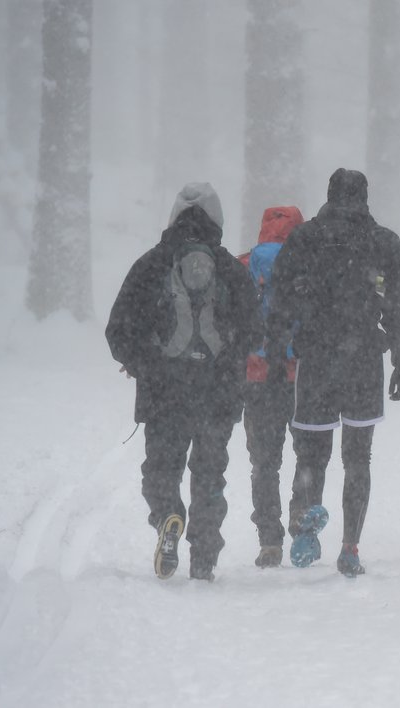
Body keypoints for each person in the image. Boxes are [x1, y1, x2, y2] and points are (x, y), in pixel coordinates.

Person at [106, 182, 259, 582]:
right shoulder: (229, 268)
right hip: (218, 393)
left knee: (161, 468)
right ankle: (204, 555)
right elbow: (255, 331)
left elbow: (118, 330)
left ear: (174, 216)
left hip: (164, 392)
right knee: (210, 473)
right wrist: (228, 361)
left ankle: (168, 516)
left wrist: (142, 362)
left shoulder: (152, 264)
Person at [265, 168, 400, 577]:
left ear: (328, 194)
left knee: (312, 453)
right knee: (358, 457)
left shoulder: (305, 238)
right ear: (365, 196)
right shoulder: (384, 242)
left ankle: (309, 525)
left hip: (317, 358)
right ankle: (350, 546)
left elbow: (279, 303)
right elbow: (397, 308)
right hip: (364, 360)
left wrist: (278, 357)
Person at [237, 205, 304, 569]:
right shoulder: (309, 265)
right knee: (307, 454)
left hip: (258, 375)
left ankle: (269, 540)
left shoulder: (245, 264)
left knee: (264, 462)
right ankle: (300, 517)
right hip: (300, 375)